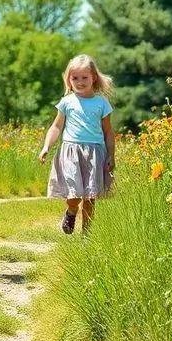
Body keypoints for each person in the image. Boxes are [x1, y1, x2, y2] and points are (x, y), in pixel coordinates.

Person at [38, 54, 116, 235]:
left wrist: (111, 155)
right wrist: (46, 147)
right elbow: (56, 127)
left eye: (84, 78)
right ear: (69, 79)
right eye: (75, 78)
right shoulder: (67, 102)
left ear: (93, 78)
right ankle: (71, 210)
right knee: (74, 195)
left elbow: (108, 132)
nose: (79, 82)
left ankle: (86, 236)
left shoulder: (101, 103)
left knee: (90, 197)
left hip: (95, 153)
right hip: (71, 152)